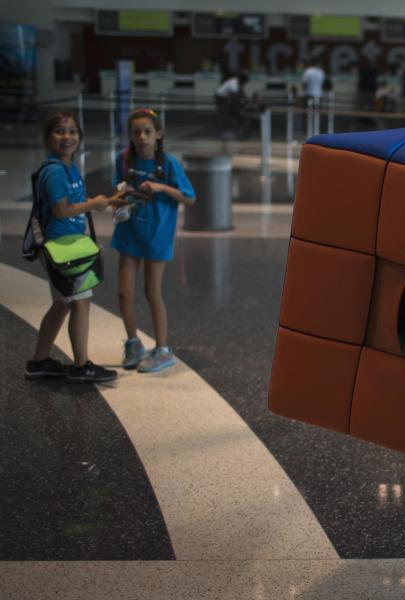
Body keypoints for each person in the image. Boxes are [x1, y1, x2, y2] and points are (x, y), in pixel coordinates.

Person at [25, 110, 126, 383]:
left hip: (65, 244)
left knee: (61, 305)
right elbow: (61, 210)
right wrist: (94, 205)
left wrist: (103, 201)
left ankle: (39, 362)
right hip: (61, 248)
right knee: (81, 303)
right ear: (48, 138)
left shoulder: (68, 167)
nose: (67, 136)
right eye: (59, 131)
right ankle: (82, 367)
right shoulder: (55, 171)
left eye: (72, 131)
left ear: (79, 137)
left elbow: (72, 204)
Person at [111, 108, 196, 373]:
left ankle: (162, 349)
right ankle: (133, 343)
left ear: (158, 134)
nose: (142, 137)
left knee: (151, 291)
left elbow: (189, 196)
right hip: (129, 232)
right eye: (137, 132)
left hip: (157, 233)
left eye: (148, 131)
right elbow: (119, 190)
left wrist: (161, 187)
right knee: (124, 291)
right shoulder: (123, 159)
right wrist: (119, 200)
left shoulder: (168, 164)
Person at [214, 71, 248, 139]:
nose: (244, 84)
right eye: (244, 82)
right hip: (220, 97)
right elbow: (233, 97)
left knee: (229, 113)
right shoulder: (234, 84)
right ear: (242, 80)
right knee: (224, 114)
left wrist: (246, 99)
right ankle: (224, 133)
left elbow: (242, 93)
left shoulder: (238, 82)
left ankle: (229, 131)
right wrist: (241, 102)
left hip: (225, 98)